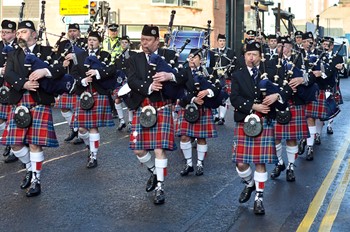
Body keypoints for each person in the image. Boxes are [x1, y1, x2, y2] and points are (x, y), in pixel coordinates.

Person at [2, 20, 66, 197]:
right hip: (20, 101)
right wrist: (24, 84)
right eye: (19, 32)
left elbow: (60, 68)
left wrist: (45, 72)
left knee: (34, 143)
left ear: (34, 34)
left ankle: (36, 180)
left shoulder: (46, 51)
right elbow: (9, 74)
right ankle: (30, 168)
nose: (20, 34)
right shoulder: (14, 54)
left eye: (24, 31)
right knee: (15, 144)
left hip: (39, 102)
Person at [126, 24, 188, 205]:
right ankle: (154, 170)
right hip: (143, 107)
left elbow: (183, 75)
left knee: (159, 149)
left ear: (157, 41)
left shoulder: (169, 55)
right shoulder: (134, 58)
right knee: (138, 149)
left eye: (148, 40)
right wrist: (149, 87)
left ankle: (160, 186)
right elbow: (131, 80)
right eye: (142, 39)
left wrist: (170, 76)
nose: (143, 43)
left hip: (162, 107)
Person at [230, 41, 284, 215]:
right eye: (247, 54)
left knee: (260, 162)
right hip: (245, 120)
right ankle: (250, 183)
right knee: (240, 163)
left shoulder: (270, 72)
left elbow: (284, 90)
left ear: (260, 56)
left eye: (254, 54)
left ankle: (259, 197)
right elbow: (234, 99)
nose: (250, 58)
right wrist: (254, 106)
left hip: (265, 121)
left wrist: (277, 95)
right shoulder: (237, 75)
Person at [70, 31, 116, 168]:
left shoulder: (105, 55)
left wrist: (98, 72)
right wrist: (82, 80)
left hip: (99, 93)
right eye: (89, 39)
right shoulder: (80, 56)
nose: (91, 42)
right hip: (83, 93)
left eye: (94, 40)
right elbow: (74, 74)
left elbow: (112, 70)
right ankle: (89, 147)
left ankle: (93, 156)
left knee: (93, 127)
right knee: (81, 129)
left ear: (99, 42)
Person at [269, 36, 310, 182]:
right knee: (275, 138)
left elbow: (311, 76)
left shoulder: (300, 59)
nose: (283, 48)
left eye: (286, 46)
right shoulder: (271, 61)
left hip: (294, 101)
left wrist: (302, 79)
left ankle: (291, 167)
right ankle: (280, 163)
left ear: (291, 47)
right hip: (277, 103)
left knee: (291, 138)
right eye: (281, 46)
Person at [176, 49, 220, 176]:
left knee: (201, 138)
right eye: (190, 57)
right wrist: (193, 98)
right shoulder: (183, 72)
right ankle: (189, 164)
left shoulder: (209, 72)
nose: (191, 59)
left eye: (194, 57)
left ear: (200, 60)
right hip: (187, 106)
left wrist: (207, 92)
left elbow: (217, 88)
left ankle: (200, 163)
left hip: (203, 108)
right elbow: (179, 90)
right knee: (184, 136)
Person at [55, 23, 85, 145]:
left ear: (79, 32)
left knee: (79, 108)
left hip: (80, 78)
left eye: (75, 31)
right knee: (64, 107)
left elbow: (87, 57)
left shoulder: (84, 43)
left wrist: (75, 57)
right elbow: (56, 59)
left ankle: (81, 133)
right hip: (65, 79)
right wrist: (63, 63)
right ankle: (74, 128)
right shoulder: (63, 44)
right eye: (70, 31)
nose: (72, 33)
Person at [0, 19, 19, 163]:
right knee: (2, 118)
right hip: (1, 87)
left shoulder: (20, 47)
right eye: (2, 32)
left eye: (7, 32)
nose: (3, 35)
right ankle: (7, 139)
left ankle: (13, 148)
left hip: (15, 88)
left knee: (13, 119)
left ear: (14, 33)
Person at [320, 36, 346, 135]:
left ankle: (329, 125)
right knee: (321, 108)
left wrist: (341, 67)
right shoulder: (320, 55)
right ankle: (318, 132)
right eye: (324, 44)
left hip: (333, 84)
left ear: (332, 46)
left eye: (327, 44)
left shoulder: (338, 57)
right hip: (321, 84)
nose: (325, 46)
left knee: (331, 106)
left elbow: (343, 70)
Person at [113, 35, 137, 131]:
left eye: (125, 42)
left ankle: (130, 122)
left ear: (129, 43)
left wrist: (128, 57)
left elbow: (134, 67)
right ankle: (122, 120)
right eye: (122, 42)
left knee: (129, 101)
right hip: (120, 82)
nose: (124, 44)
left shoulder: (134, 54)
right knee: (117, 100)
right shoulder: (118, 56)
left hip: (130, 81)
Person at [211, 33, 235, 125]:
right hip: (215, 77)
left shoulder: (230, 52)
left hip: (226, 77)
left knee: (225, 96)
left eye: (223, 41)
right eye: (220, 41)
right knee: (215, 95)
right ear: (217, 42)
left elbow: (233, 65)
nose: (222, 43)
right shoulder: (213, 52)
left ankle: (222, 117)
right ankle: (216, 116)